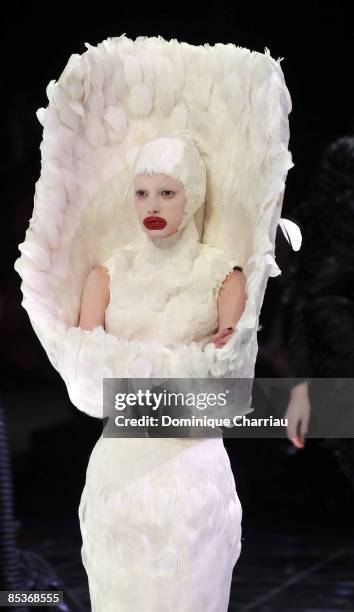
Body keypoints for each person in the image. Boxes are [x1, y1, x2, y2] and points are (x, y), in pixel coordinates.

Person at [77, 134, 247, 612]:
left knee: (190, 589)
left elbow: (232, 365)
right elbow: (86, 365)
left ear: (191, 194)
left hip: (192, 465)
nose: (152, 205)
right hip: (121, 467)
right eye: (142, 192)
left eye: (167, 193)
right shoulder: (106, 276)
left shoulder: (223, 275)